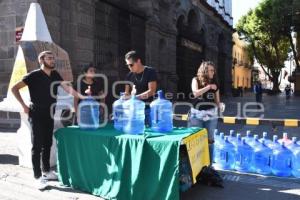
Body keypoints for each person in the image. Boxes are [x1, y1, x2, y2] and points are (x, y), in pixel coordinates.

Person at [11, 51, 85, 190]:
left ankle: (46, 171)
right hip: (36, 114)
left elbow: (67, 88)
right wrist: (24, 106)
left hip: (50, 113)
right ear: (41, 60)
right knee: (37, 145)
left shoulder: (55, 74)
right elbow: (14, 88)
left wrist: (82, 96)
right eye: (49, 58)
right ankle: (37, 177)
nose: (52, 60)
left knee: (48, 143)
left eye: (53, 58)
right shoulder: (33, 75)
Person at [188, 61, 222, 165]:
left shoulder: (215, 83)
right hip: (196, 115)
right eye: (211, 70)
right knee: (194, 140)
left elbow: (217, 101)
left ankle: (209, 165)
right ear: (205, 71)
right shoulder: (196, 80)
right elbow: (195, 93)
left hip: (211, 115)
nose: (213, 72)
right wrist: (208, 87)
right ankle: (195, 166)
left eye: (213, 70)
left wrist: (220, 108)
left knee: (210, 140)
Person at [124, 50, 157, 126]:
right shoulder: (129, 75)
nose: (129, 67)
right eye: (127, 65)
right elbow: (127, 93)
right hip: (135, 111)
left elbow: (152, 91)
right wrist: (125, 97)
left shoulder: (150, 71)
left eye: (131, 65)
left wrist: (134, 98)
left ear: (138, 61)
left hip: (148, 110)